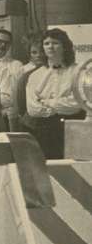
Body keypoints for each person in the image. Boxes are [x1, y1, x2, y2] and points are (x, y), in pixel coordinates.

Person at [21, 28, 86, 160]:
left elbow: (77, 103)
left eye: (55, 43)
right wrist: (58, 104)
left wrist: (47, 102)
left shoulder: (78, 72)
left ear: (65, 46)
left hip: (72, 128)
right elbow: (33, 109)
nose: (50, 47)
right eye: (46, 43)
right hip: (44, 131)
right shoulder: (35, 75)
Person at [0, 28, 24, 132]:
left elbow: (15, 94)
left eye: (6, 43)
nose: (2, 45)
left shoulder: (16, 65)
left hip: (6, 116)